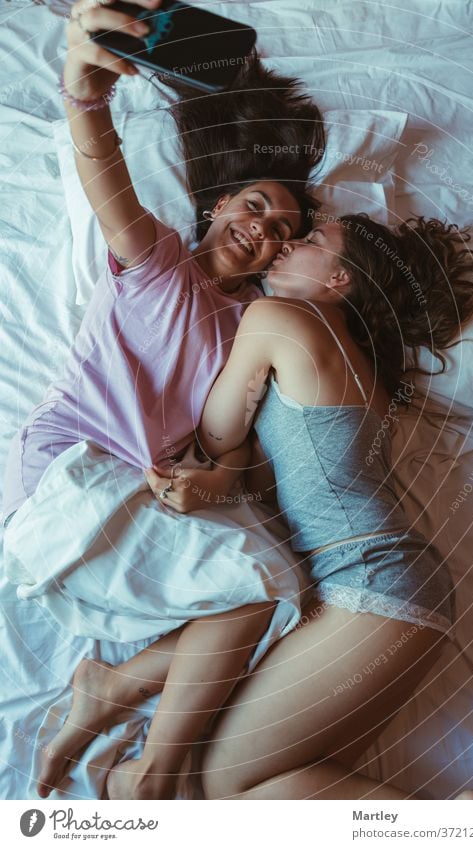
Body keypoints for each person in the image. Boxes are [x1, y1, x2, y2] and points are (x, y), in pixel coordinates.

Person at [1, 0, 326, 798]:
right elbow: (101, 169)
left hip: (135, 491)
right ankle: (141, 750)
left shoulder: (257, 329)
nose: (266, 230)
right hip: (68, 476)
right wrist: (85, 94)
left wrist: (223, 482)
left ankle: (114, 703)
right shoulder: (161, 262)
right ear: (218, 205)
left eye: (284, 229)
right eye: (256, 204)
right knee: (263, 587)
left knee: (281, 589)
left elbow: (244, 459)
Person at [54, 211, 473, 800]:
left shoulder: (280, 317)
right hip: (388, 588)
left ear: (340, 280)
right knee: (257, 796)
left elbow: (216, 432)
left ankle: (453, 827)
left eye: (311, 242)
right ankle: (115, 686)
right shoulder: (365, 375)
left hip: (374, 585)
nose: (285, 245)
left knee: (228, 786)